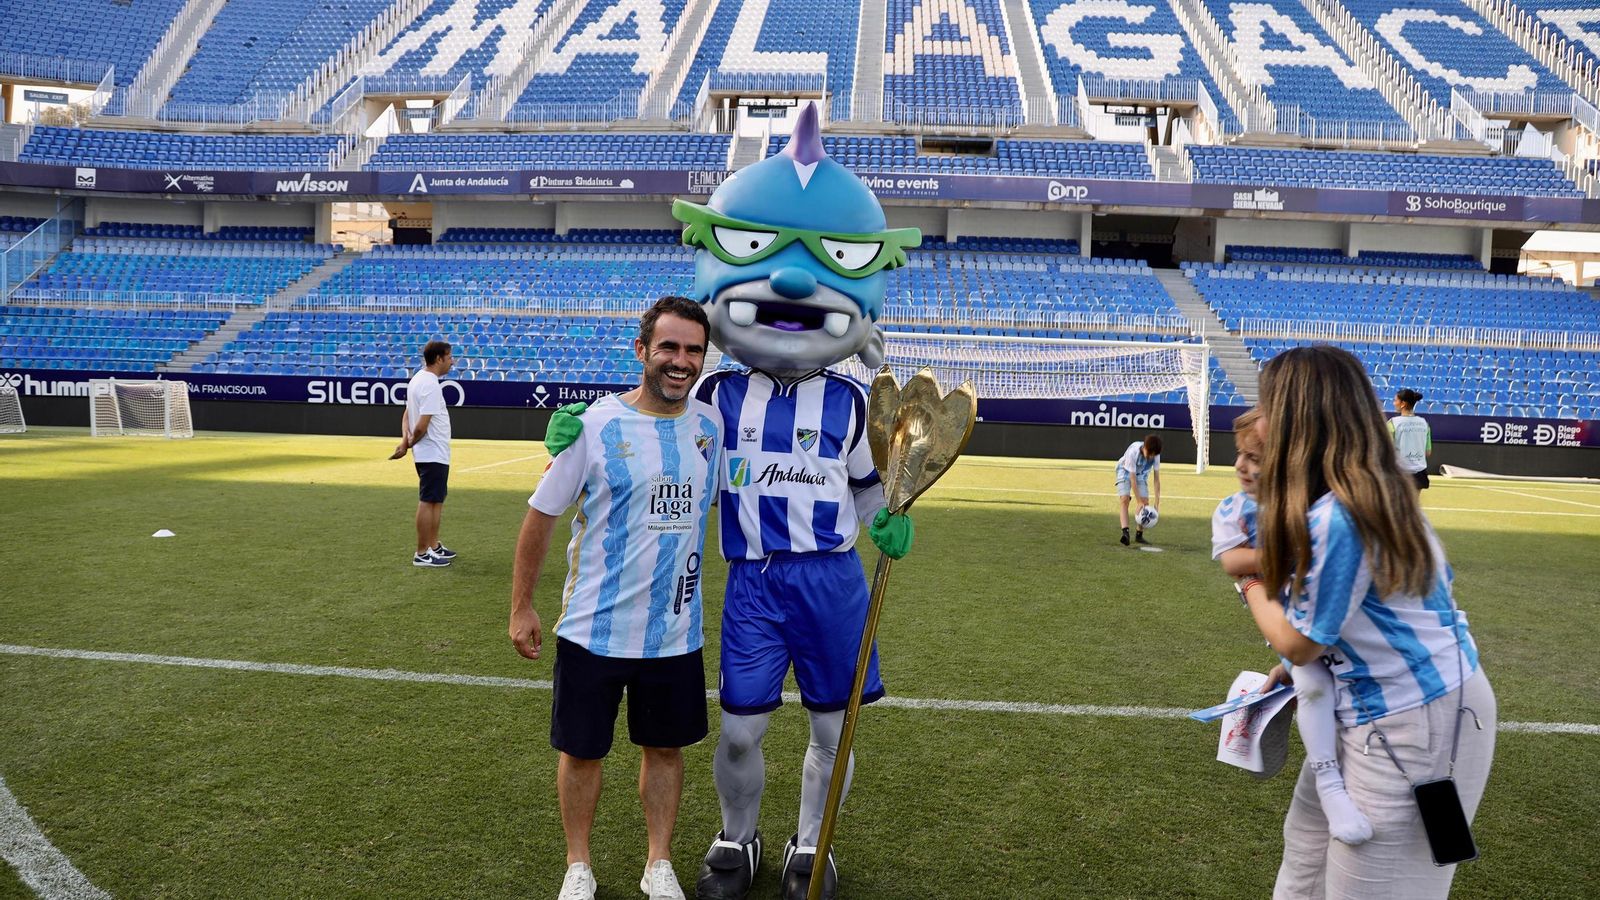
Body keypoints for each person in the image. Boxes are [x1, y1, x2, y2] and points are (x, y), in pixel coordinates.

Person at [543, 104, 917, 900]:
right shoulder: (713, 393)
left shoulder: (852, 404)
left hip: (832, 580)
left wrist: (893, 513)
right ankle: (735, 839)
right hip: (753, 581)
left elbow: (873, 487)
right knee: (742, 727)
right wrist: (585, 418)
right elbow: (655, 408)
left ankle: (810, 847)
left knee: (830, 728)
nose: (788, 281)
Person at [1240, 346, 1495, 899]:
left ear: (1296, 419)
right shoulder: (1359, 496)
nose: (1258, 421)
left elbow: (1303, 642)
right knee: (1305, 866)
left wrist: (1250, 584)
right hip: (1378, 709)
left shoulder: (1343, 513)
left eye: (1267, 406)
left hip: (1414, 719)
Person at [509, 297, 722, 900]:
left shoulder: (711, 428)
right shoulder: (595, 425)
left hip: (675, 631)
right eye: (669, 348)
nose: (680, 361)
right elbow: (541, 515)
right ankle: (578, 865)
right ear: (642, 351)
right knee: (582, 752)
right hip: (593, 629)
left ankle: (658, 863)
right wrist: (523, 605)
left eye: (692, 350)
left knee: (665, 749)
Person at [1212, 408, 1371, 846]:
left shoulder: (1311, 508)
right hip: (1290, 625)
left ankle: (1337, 779)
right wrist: (1295, 554)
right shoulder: (1233, 510)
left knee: (1324, 687)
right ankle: (1328, 780)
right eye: (1240, 455)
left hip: (1318, 624)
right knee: (1315, 687)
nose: (1243, 467)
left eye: (1256, 459)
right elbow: (1233, 561)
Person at [390, 340, 457, 567]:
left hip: (432, 452)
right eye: (449, 357)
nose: (452, 361)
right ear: (438, 359)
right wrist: (408, 443)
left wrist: (404, 442)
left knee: (436, 500)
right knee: (428, 500)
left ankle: (433, 546)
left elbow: (407, 414)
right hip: (432, 451)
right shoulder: (429, 384)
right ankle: (421, 552)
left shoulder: (418, 380)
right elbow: (421, 425)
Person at [1115, 433, 1162, 545]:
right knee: (1125, 499)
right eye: (1149, 453)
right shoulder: (1133, 452)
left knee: (1146, 503)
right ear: (1145, 447)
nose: (1151, 457)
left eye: (1153, 455)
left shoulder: (1155, 455)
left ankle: (1139, 535)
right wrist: (1138, 501)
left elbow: (1156, 479)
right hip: (1125, 471)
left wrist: (1157, 502)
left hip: (1141, 474)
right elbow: (1132, 479)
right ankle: (1125, 533)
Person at [1390, 389, 1432, 490]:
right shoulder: (1424, 423)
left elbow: (1386, 450)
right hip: (1419, 473)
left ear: (1403, 403)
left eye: (1395, 400)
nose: (1393, 403)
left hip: (1399, 473)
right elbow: (1428, 452)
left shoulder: (1393, 423)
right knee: (1413, 505)